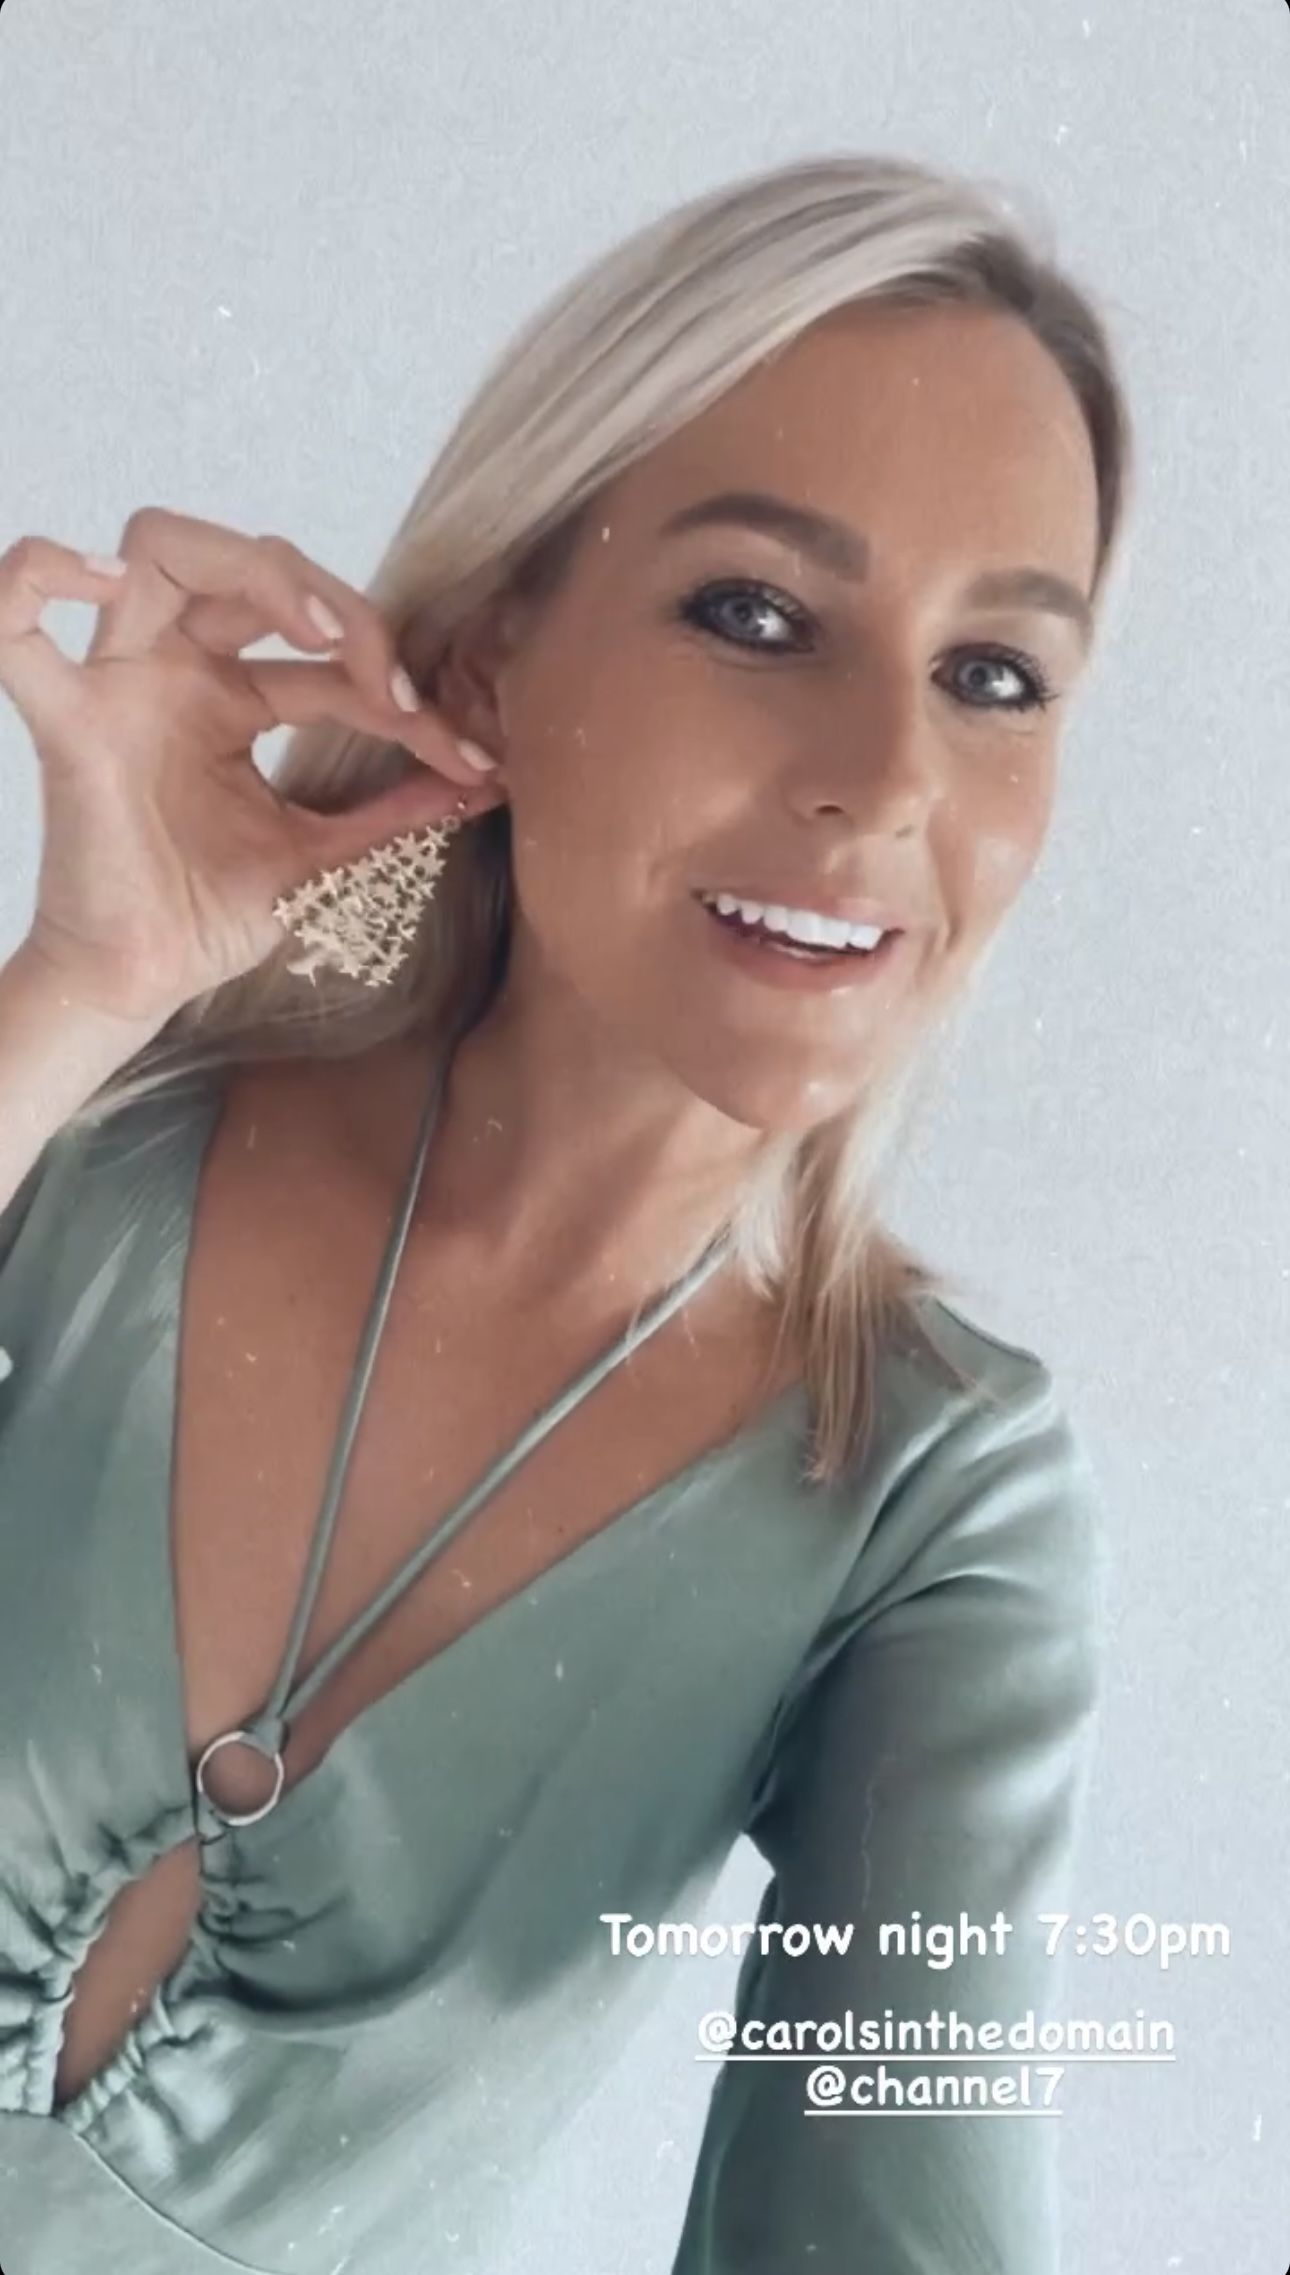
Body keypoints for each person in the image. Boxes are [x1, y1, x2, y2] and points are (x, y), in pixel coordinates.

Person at [0, 151, 1127, 2274]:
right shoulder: (93, 1139)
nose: (887, 775)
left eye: (994, 674)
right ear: (497, 654)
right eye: (757, 614)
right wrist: (76, 989)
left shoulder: (922, 1505)